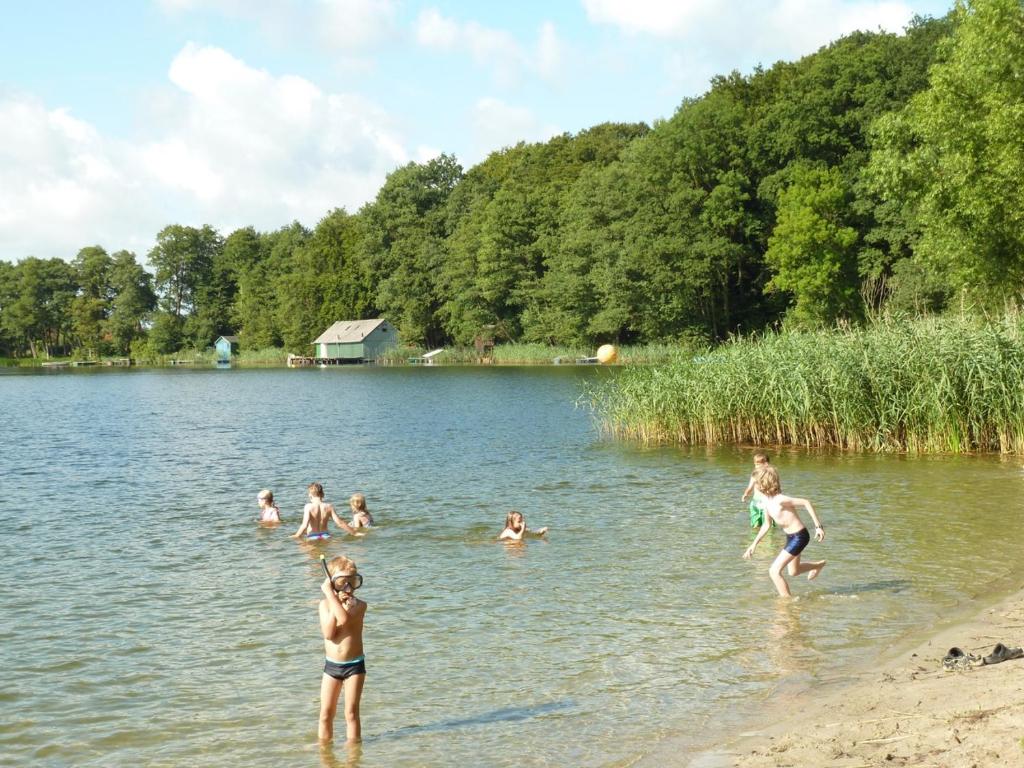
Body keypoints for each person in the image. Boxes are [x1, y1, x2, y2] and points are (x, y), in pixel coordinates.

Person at [742, 465, 826, 597]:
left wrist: (818, 527)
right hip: (791, 537)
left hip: (800, 536)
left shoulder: (780, 500)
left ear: (763, 484)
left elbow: (806, 502)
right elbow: (766, 525)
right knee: (794, 571)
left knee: (774, 571)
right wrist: (753, 545)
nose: (754, 485)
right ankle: (818, 565)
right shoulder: (765, 501)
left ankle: (787, 602)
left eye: (756, 482)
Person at [318, 555, 367, 742]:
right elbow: (330, 633)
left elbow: (344, 619)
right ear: (332, 583)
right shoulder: (324, 606)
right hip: (331, 667)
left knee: (351, 714)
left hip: (354, 666)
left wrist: (332, 596)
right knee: (325, 714)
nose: (348, 588)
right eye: (342, 582)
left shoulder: (360, 606)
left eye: (353, 582)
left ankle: (353, 757)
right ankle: (325, 754)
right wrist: (331, 599)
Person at [293, 483, 360, 540]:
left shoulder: (308, 507)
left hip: (312, 536)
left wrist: (296, 536)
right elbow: (339, 523)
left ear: (310, 495)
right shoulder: (329, 506)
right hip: (325, 536)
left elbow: (304, 525)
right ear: (322, 494)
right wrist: (354, 533)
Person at [741, 452, 773, 530]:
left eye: (758, 464)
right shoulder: (754, 474)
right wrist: (745, 494)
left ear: (766, 464)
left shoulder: (770, 474)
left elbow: (775, 488)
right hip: (755, 503)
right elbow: (750, 487)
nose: (756, 466)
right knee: (755, 524)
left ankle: (770, 540)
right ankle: (755, 537)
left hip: (767, 503)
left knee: (769, 525)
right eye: (755, 464)